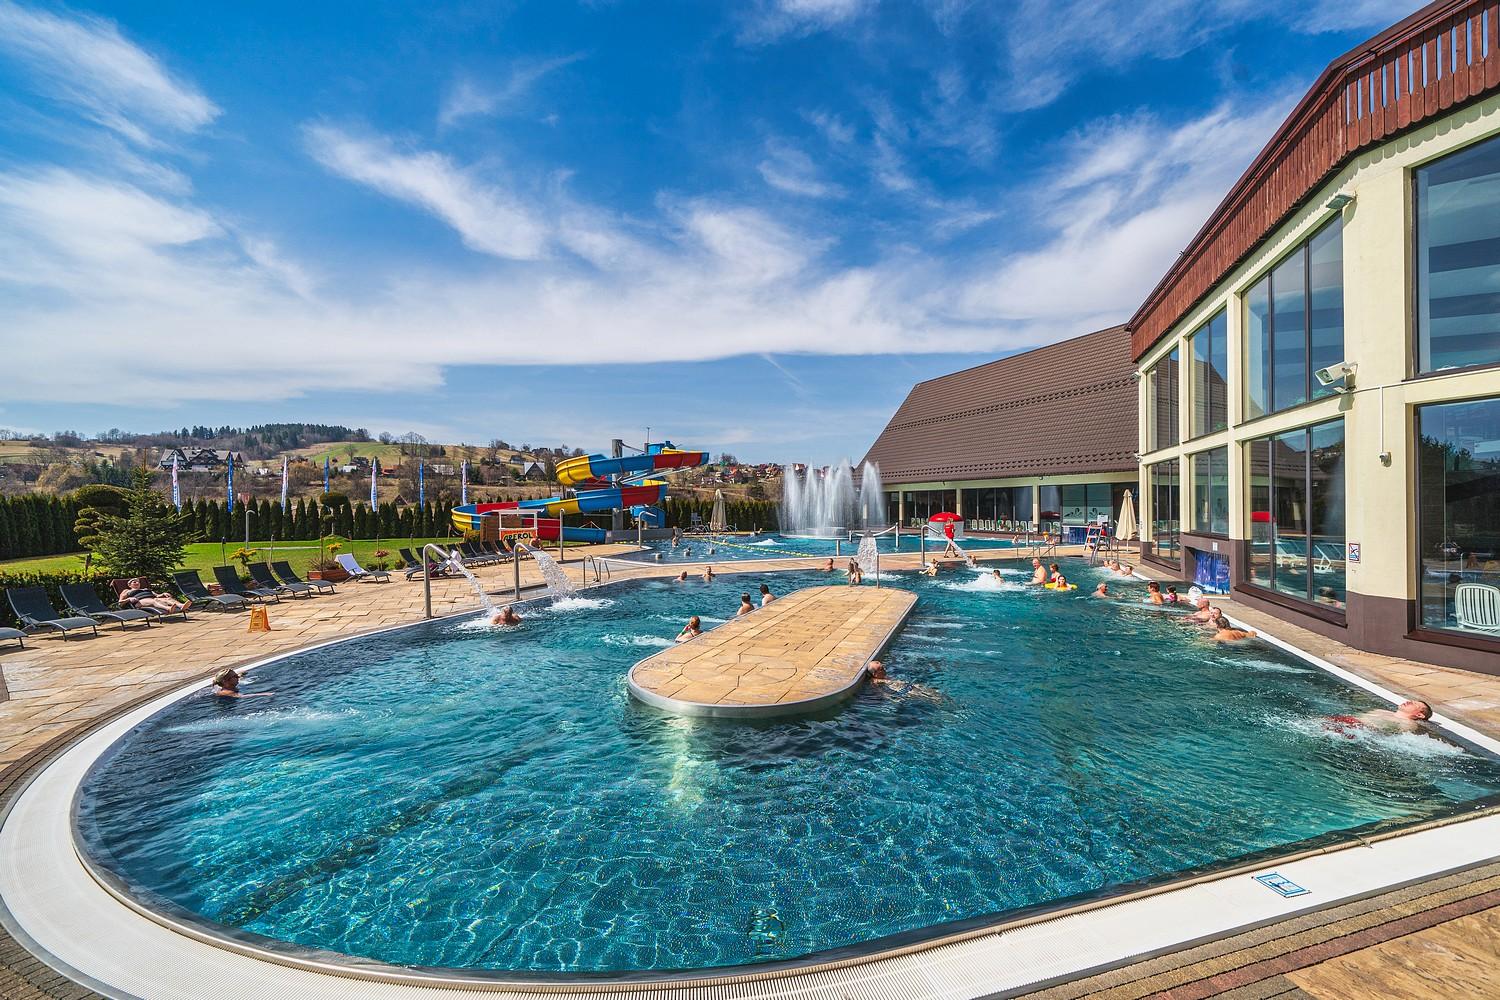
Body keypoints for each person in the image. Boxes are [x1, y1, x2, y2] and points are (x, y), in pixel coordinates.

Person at [118, 577, 188, 615]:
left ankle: (181, 606)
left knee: (168, 599)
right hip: (139, 602)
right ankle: (168, 608)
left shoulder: (145, 589)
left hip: (153, 599)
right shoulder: (126, 591)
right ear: (129, 585)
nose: (137, 583)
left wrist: (163, 594)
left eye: (138, 582)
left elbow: (157, 596)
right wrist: (128, 599)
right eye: (134, 582)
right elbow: (120, 603)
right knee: (154, 601)